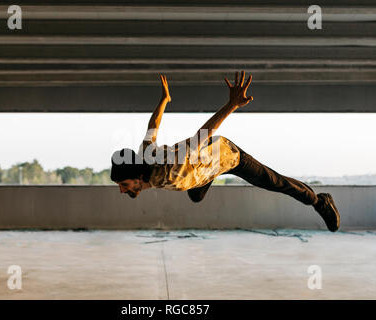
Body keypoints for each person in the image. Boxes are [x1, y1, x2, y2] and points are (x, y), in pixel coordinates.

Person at [110, 71, 340, 232]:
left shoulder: (170, 166)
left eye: (124, 185)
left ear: (139, 176)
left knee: (273, 181)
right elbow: (154, 125)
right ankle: (206, 178)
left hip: (226, 157)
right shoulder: (145, 152)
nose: (122, 190)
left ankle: (319, 201)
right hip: (200, 171)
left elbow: (201, 136)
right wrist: (164, 100)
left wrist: (232, 105)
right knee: (196, 195)